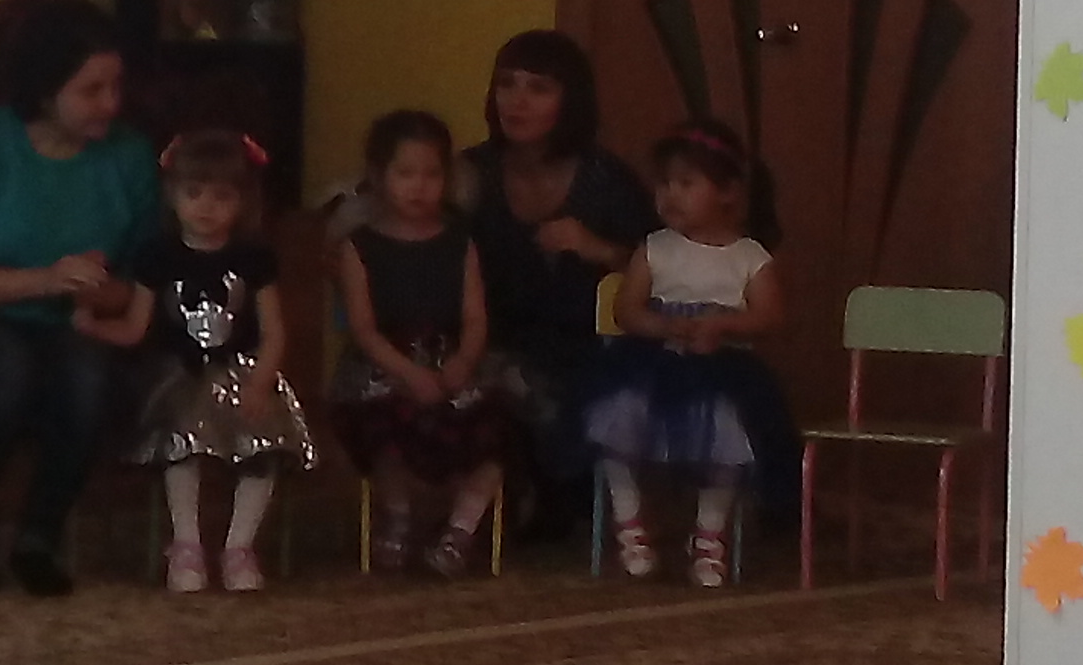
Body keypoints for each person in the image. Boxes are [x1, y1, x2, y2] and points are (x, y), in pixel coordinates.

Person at [0, 0, 160, 596]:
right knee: (7, 365)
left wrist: (102, 291)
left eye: (116, 86)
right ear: (46, 91)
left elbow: (147, 277)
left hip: (71, 325)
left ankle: (40, 533)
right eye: (91, 90)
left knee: (87, 376)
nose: (111, 104)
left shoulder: (128, 156)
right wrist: (45, 280)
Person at [87, 127, 313, 593]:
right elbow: (135, 327)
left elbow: (275, 332)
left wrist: (260, 381)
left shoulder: (254, 258)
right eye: (194, 194)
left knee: (264, 442)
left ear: (243, 201)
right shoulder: (157, 255)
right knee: (182, 438)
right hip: (179, 374)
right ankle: (187, 543)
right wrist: (90, 327)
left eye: (222, 197)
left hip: (244, 371)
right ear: (173, 196)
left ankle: (239, 546)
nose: (206, 207)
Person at [582, 122, 793, 586]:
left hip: (720, 368)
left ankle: (709, 536)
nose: (670, 194)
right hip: (652, 360)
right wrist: (664, 326)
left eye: (686, 183)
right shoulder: (654, 248)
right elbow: (627, 311)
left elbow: (770, 316)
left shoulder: (749, 256)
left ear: (727, 192)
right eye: (664, 183)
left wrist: (723, 324)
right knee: (616, 418)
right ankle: (629, 523)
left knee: (727, 430)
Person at [459, 30, 658, 504]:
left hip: (584, 350)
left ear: (570, 101)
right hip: (489, 342)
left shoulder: (605, 179)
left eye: (539, 88)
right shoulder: (470, 172)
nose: (517, 101)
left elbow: (666, 267)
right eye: (507, 84)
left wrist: (598, 249)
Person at [328, 109, 506, 574]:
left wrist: (463, 361)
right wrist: (408, 373)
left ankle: (459, 531)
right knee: (383, 426)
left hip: (448, 357)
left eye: (431, 174)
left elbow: (474, 317)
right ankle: (399, 519)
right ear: (378, 177)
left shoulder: (460, 241)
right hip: (386, 363)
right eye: (405, 174)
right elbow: (363, 329)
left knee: (496, 430)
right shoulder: (358, 246)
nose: (419, 186)